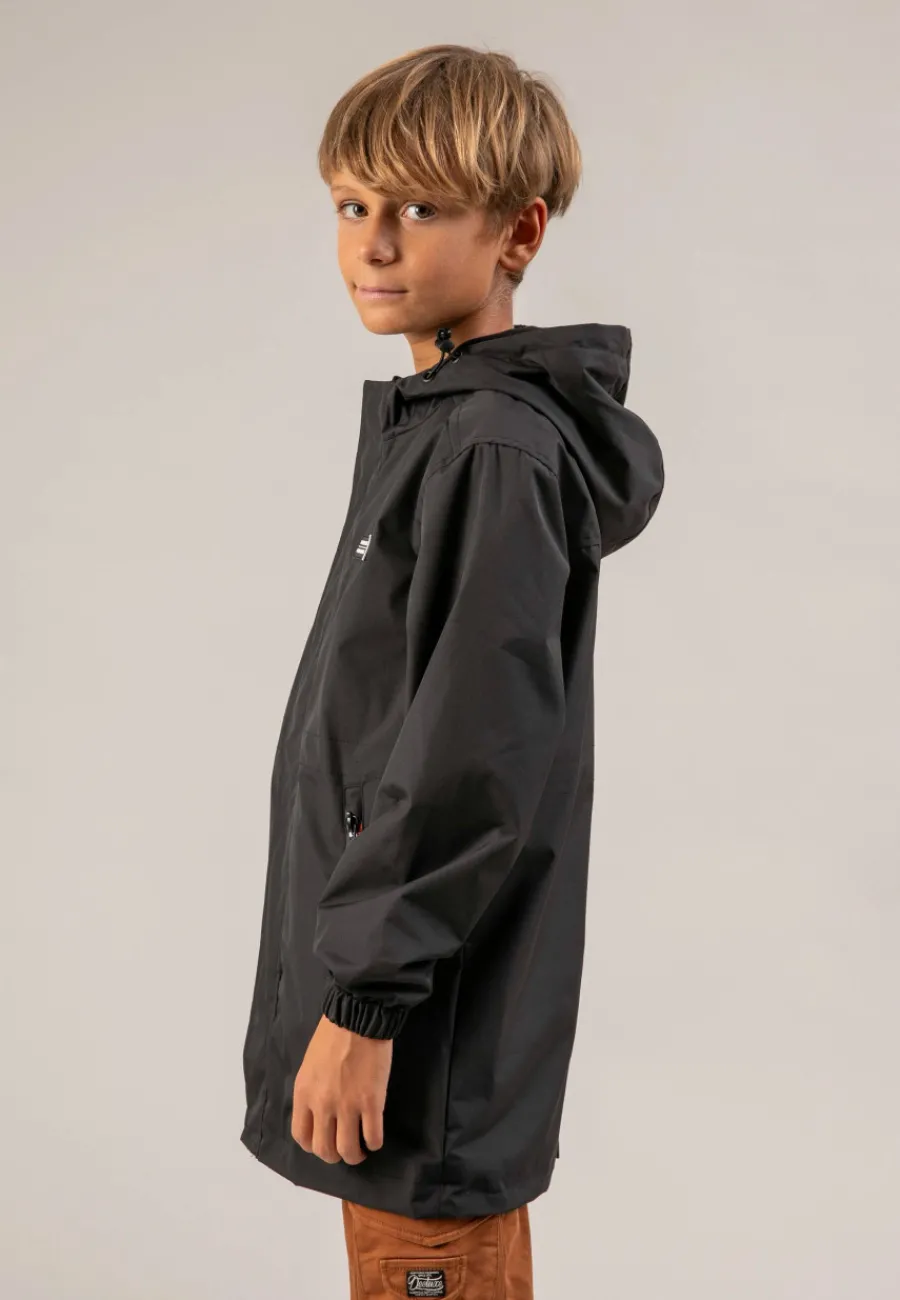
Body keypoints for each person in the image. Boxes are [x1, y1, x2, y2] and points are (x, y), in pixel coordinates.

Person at [239, 42, 665, 1298]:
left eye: (420, 208)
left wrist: (365, 1006)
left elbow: (472, 756)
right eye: (352, 204)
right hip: (410, 1017)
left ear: (518, 231)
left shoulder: (491, 448)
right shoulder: (442, 428)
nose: (373, 243)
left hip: (425, 1037)